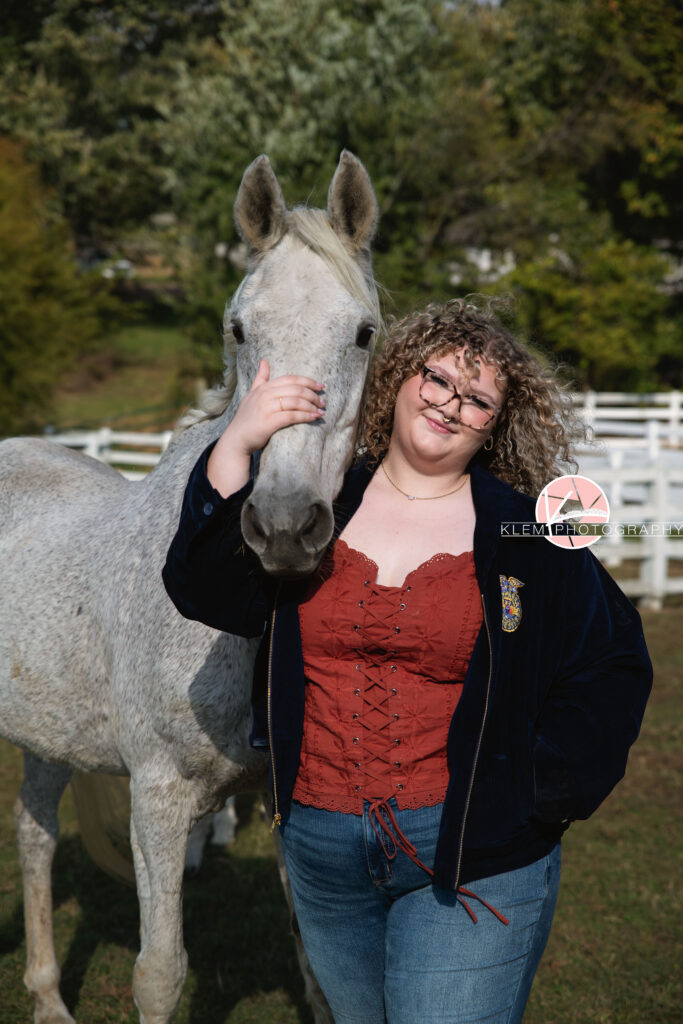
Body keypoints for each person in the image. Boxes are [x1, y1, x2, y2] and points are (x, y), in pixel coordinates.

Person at [162, 298, 652, 1024]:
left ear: (496, 422)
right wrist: (237, 441)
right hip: (321, 851)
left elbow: (612, 662)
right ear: (396, 378)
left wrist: (538, 793)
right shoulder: (321, 507)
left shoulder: (524, 533)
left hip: (470, 850)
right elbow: (203, 591)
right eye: (437, 379)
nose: (451, 405)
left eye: (478, 399)